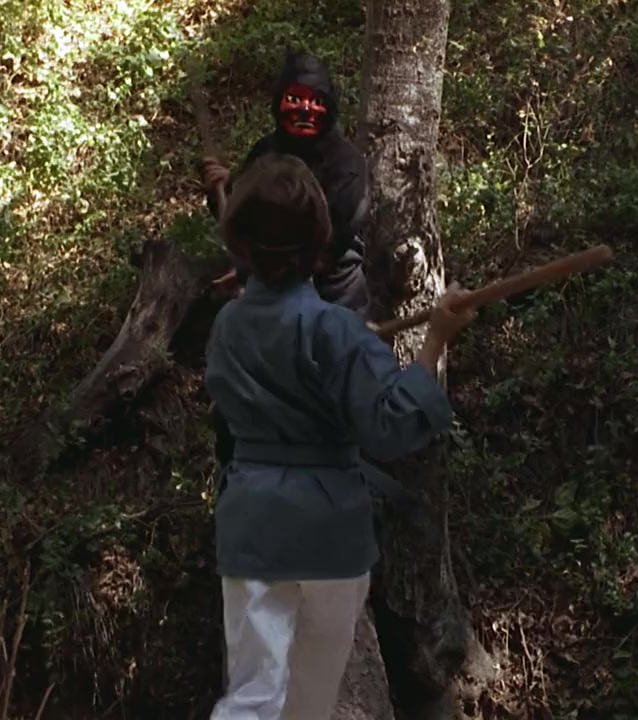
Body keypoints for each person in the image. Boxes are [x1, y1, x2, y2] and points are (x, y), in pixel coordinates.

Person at [204, 152, 475, 719]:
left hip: (252, 524)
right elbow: (392, 424)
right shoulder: (335, 331)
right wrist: (435, 338)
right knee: (309, 704)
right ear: (320, 244)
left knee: (252, 698)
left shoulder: (228, 325)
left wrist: (351, 342)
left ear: (242, 246)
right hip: (327, 533)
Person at [201, 49, 370, 315]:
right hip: (268, 291)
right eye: (294, 99)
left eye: (316, 101)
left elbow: (330, 247)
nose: (305, 109)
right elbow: (240, 222)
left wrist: (256, 276)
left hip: (334, 298)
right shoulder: (265, 152)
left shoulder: (347, 167)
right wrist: (223, 190)